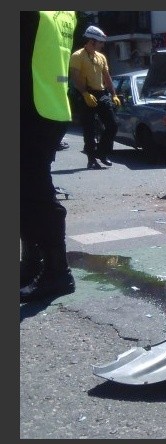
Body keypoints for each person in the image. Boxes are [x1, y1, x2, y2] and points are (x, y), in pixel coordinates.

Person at [20, 11, 78, 303]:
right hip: (50, 106)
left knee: (35, 194)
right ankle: (33, 266)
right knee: (28, 192)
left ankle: (57, 272)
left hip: (30, 108)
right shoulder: (63, 13)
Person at [69, 25, 120, 169]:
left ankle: (101, 153)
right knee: (89, 129)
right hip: (85, 92)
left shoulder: (101, 57)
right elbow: (75, 77)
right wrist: (84, 93)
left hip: (101, 93)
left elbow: (107, 77)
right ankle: (92, 159)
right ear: (92, 41)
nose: (102, 45)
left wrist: (114, 94)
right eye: (100, 42)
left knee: (112, 125)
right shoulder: (77, 56)